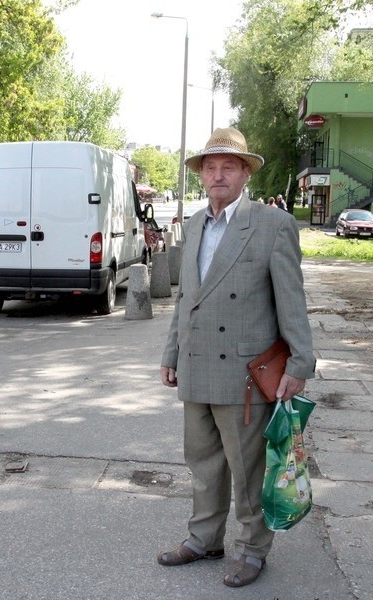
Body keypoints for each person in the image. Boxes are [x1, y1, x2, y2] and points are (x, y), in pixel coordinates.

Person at [158, 128, 315, 588]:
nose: (218, 174)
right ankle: (204, 538)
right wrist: (171, 353)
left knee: (248, 472)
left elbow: (291, 301)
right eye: (210, 167)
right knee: (203, 464)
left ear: (245, 172)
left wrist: (300, 365)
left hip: (244, 373)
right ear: (201, 175)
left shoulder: (271, 225)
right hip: (196, 365)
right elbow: (188, 297)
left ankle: (252, 550)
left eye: (229, 166)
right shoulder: (192, 224)